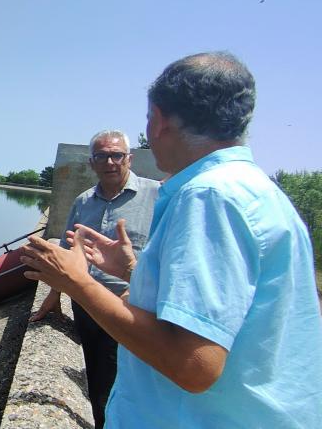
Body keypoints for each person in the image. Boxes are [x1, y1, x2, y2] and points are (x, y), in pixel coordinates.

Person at [21, 52, 322, 428]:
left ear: (159, 121)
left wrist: (75, 282)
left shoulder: (209, 197)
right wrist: (135, 270)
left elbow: (194, 365)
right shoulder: (258, 191)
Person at [30, 129, 158, 429]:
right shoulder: (83, 202)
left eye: (117, 155)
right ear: (92, 162)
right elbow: (65, 254)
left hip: (131, 305)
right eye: (102, 156)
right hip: (85, 304)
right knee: (97, 377)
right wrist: (53, 296)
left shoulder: (157, 195)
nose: (110, 162)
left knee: (121, 383)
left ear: (130, 158)